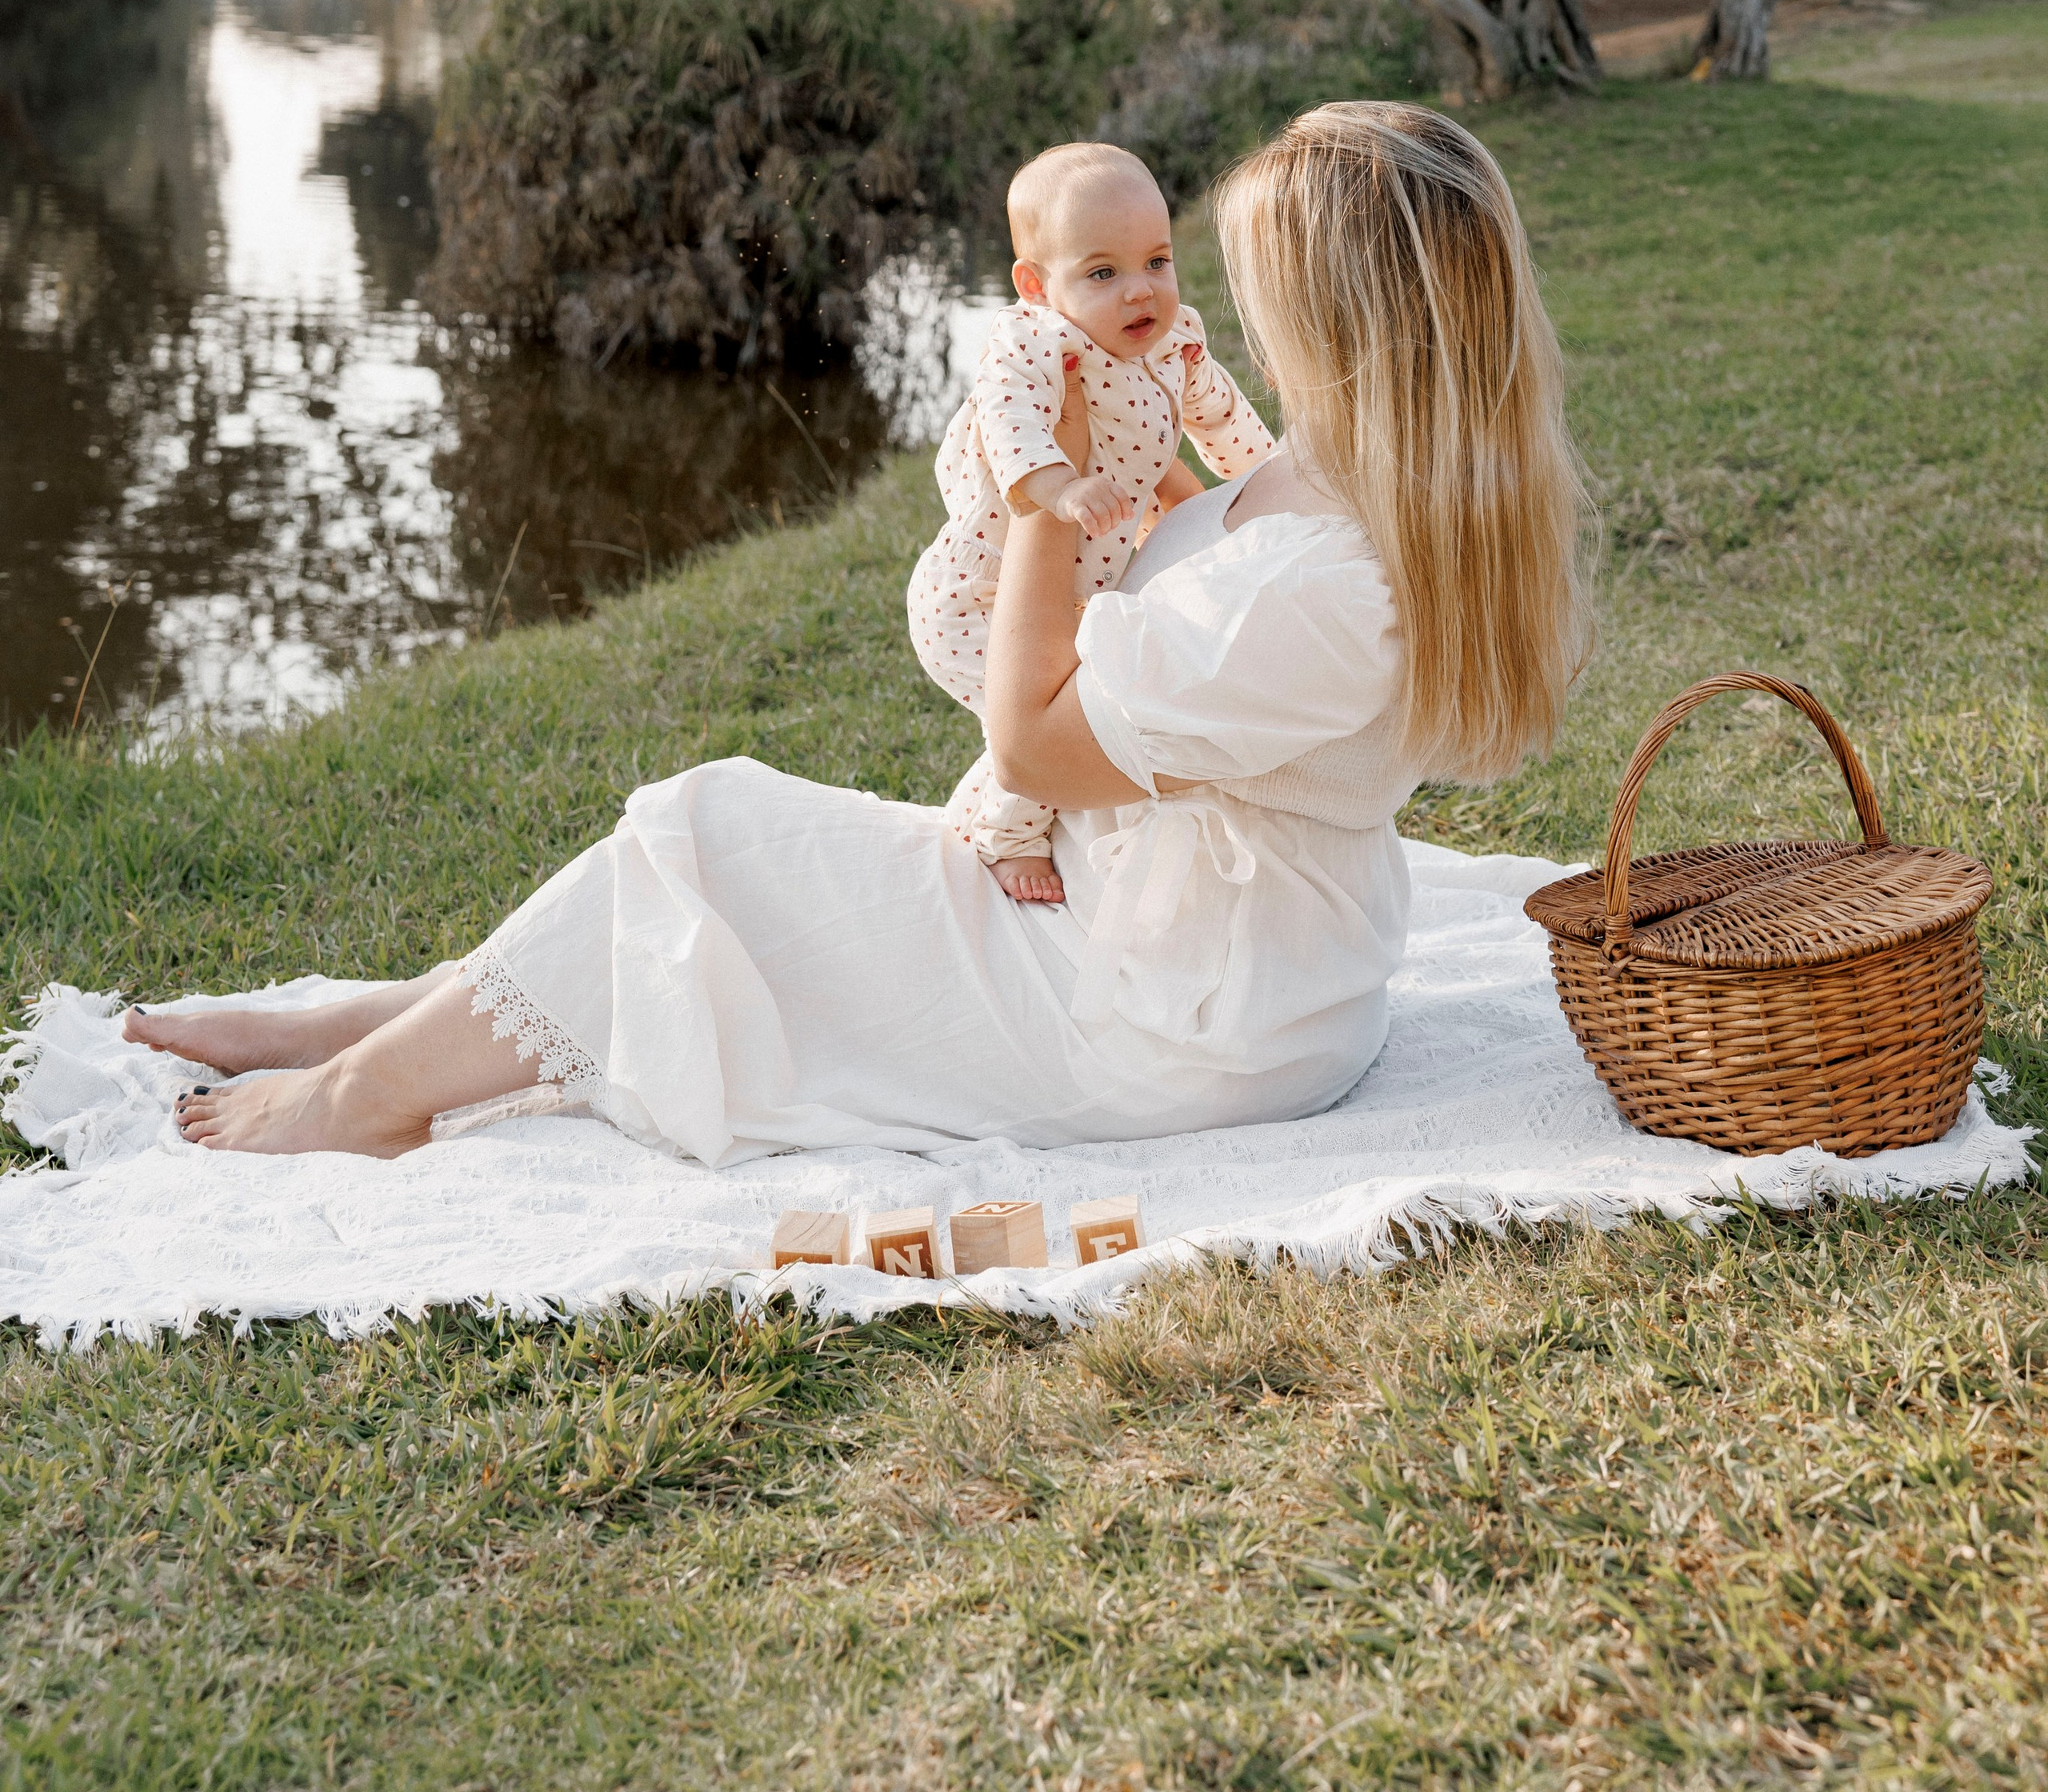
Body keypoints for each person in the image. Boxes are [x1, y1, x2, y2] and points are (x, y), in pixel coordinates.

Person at [127, 102, 1594, 1167]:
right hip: (1168, 920)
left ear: (1339, 316)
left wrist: (1041, 496)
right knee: (726, 855)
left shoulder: (1323, 587)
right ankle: (413, 1021)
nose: (1216, 313)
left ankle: (362, 1099)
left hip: (1173, 1015)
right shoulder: (1382, 464)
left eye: (1260, 286)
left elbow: (1034, 736)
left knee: (713, 829)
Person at [908, 138, 1273, 903]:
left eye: (1157, 262)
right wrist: (1059, 488)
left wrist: (1270, 482)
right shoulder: (1038, 340)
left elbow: (1223, 421)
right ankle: (1004, 836)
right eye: (1103, 273)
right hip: (976, 597)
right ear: (1037, 286)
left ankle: (987, 816)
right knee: (1047, 716)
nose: (1141, 292)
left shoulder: (1176, 342)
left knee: (1089, 695)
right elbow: (1009, 422)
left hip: (1065, 591)